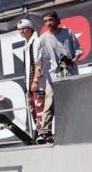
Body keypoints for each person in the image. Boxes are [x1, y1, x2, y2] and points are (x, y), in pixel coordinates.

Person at [33, 11, 83, 144]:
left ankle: (74, 128)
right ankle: (45, 132)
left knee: (71, 103)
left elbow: (78, 51)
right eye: (46, 21)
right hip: (53, 76)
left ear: (57, 20)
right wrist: (38, 71)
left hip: (70, 74)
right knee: (49, 103)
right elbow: (39, 60)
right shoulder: (42, 39)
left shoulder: (68, 33)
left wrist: (72, 60)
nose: (48, 23)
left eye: (50, 20)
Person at [16, 18, 43, 134]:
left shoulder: (36, 42)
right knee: (34, 110)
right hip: (30, 84)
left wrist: (35, 80)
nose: (21, 31)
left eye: (24, 28)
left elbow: (39, 63)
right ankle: (40, 133)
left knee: (40, 108)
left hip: (38, 83)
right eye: (19, 29)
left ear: (30, 29)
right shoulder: (26, 45)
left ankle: (46, 134)